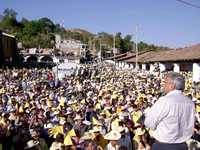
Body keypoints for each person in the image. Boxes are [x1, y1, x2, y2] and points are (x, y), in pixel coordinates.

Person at [143, 72, 195, 150]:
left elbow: (149, 124)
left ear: (172, 86)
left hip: (163, 146)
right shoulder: (190, 102)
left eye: (165, 83)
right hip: (183, 146)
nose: (163, 86)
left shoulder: (164, 101)